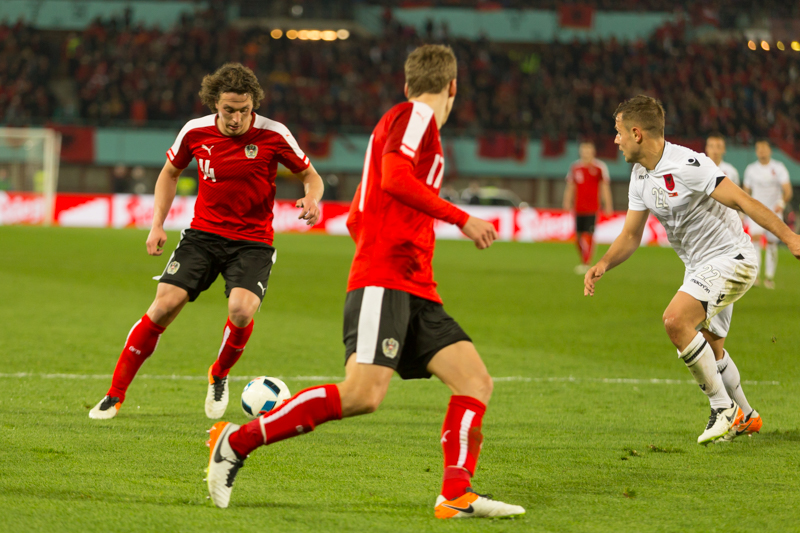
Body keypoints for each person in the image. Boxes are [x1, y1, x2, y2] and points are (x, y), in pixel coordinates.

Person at [206, 45, 525, 519]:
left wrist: (394, 245)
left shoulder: (398, 121)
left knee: (474, 381)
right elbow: (396, 179)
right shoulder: (416, 116)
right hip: (388, 277)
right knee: (362, 395)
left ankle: (456, 494)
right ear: (453, 86)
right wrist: (460, 219)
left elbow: (359, 213)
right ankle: (236, 440)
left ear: (406, 81)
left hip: (412, 282)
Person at [89, 63, 323, 420]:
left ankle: (219, 373)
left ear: (253, 105)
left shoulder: (274, 134)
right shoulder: (194, 132)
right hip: (203, 235)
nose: (236, 119)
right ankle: (114, 394)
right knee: (164, 305)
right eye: (229, 110)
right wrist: (157, 224)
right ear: (215, 103)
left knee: (241, 311)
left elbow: (311, 175)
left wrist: (312, 197)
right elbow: (170, 172)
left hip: (252, 241)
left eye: (244, 110)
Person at [584, 95, 800, 445]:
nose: (615, 140)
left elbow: (744, 202)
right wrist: (603, 264)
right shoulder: (639, 176)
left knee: (676, 320)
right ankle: (745, 415)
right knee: (712, 349)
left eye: (619, 131)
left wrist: (790, 238)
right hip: (698, 266)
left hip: (733, 258)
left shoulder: (689, 164)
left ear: (637, 133)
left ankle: (723, 408)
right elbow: (630, 235)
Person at [743, 140, 793, 289]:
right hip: (757, 211)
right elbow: (746, 191)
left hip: (774, 211)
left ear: (769, 150)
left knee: (771, 244)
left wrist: (781, 203)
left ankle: (769, 278)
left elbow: (788, 190)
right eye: (759, 148)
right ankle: (756, 277)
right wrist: (747, 207)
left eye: (764, 148)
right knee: (756, 241)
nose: (762, 151)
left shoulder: (778, 168)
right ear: (756, 151)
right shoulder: (751, 169)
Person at [563, 141, 613, 274]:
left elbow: (604, 187)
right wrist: (567, 201)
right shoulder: (575, 167)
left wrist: (608, 204)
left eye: (588, 150)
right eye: (584, 150)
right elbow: (570, 186)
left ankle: (587, 263)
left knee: (589, 235)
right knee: (578, 237)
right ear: (580, 152)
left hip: (592, 208)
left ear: (593, 152)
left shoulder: (600, 167)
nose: (586, 153)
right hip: (578, 208)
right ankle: (582, 260)